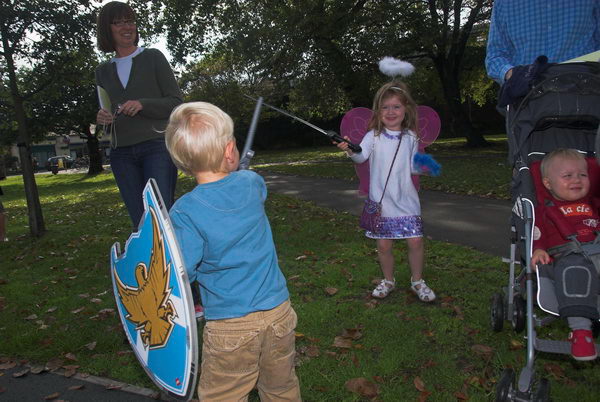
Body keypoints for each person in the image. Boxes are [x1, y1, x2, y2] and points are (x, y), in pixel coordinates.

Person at [165, 102, 301, 401]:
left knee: (223, 395)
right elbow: (246, 192)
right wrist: (236, 176)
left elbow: (182, 270)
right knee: (281, 386)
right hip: (278, 311)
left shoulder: (185, 211)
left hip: (231, 325)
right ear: (230, 152)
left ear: (182, 162)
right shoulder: (252, 183)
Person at [337, 82, 435, 302]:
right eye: (385, 107)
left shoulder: (410, 136)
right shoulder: (373, 136)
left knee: (416, 241)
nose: (391, 112)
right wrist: (350, 150)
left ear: (406, 110)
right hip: (382, 202)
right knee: (383, 244)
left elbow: (411, 166)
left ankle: (417, 280)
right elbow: (361, 156)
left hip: (407, 199)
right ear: (378, 111)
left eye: (396, 107)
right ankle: (388, 280)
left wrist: (423, 166)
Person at [95, 1, 183, 227]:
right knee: (140, 223)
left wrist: (143, 104)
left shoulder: (153, 57)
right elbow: (106, 113)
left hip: (156, 147)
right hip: (121, 154)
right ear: (107, 29)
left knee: (161, 217)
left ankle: (174, 262)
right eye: (119, 22)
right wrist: (103, 120)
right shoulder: (102, 72)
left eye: (130, 21)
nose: (127, 27)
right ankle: (149, 262)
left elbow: (176, 102)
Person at [531, 149, 599, 361]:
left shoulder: (593, 204)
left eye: (582, 175)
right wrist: (539, 249)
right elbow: (537, 231)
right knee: (574, 269)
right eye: (567, 176)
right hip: (567, 257)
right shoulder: (545, 209)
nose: (576, 180)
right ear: (548, 184)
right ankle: (581, 332)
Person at [485, 0, 600, 85]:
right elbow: (495, 56)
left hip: (585, 94)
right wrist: (513, 74)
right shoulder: (504, 3)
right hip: (528, 102)